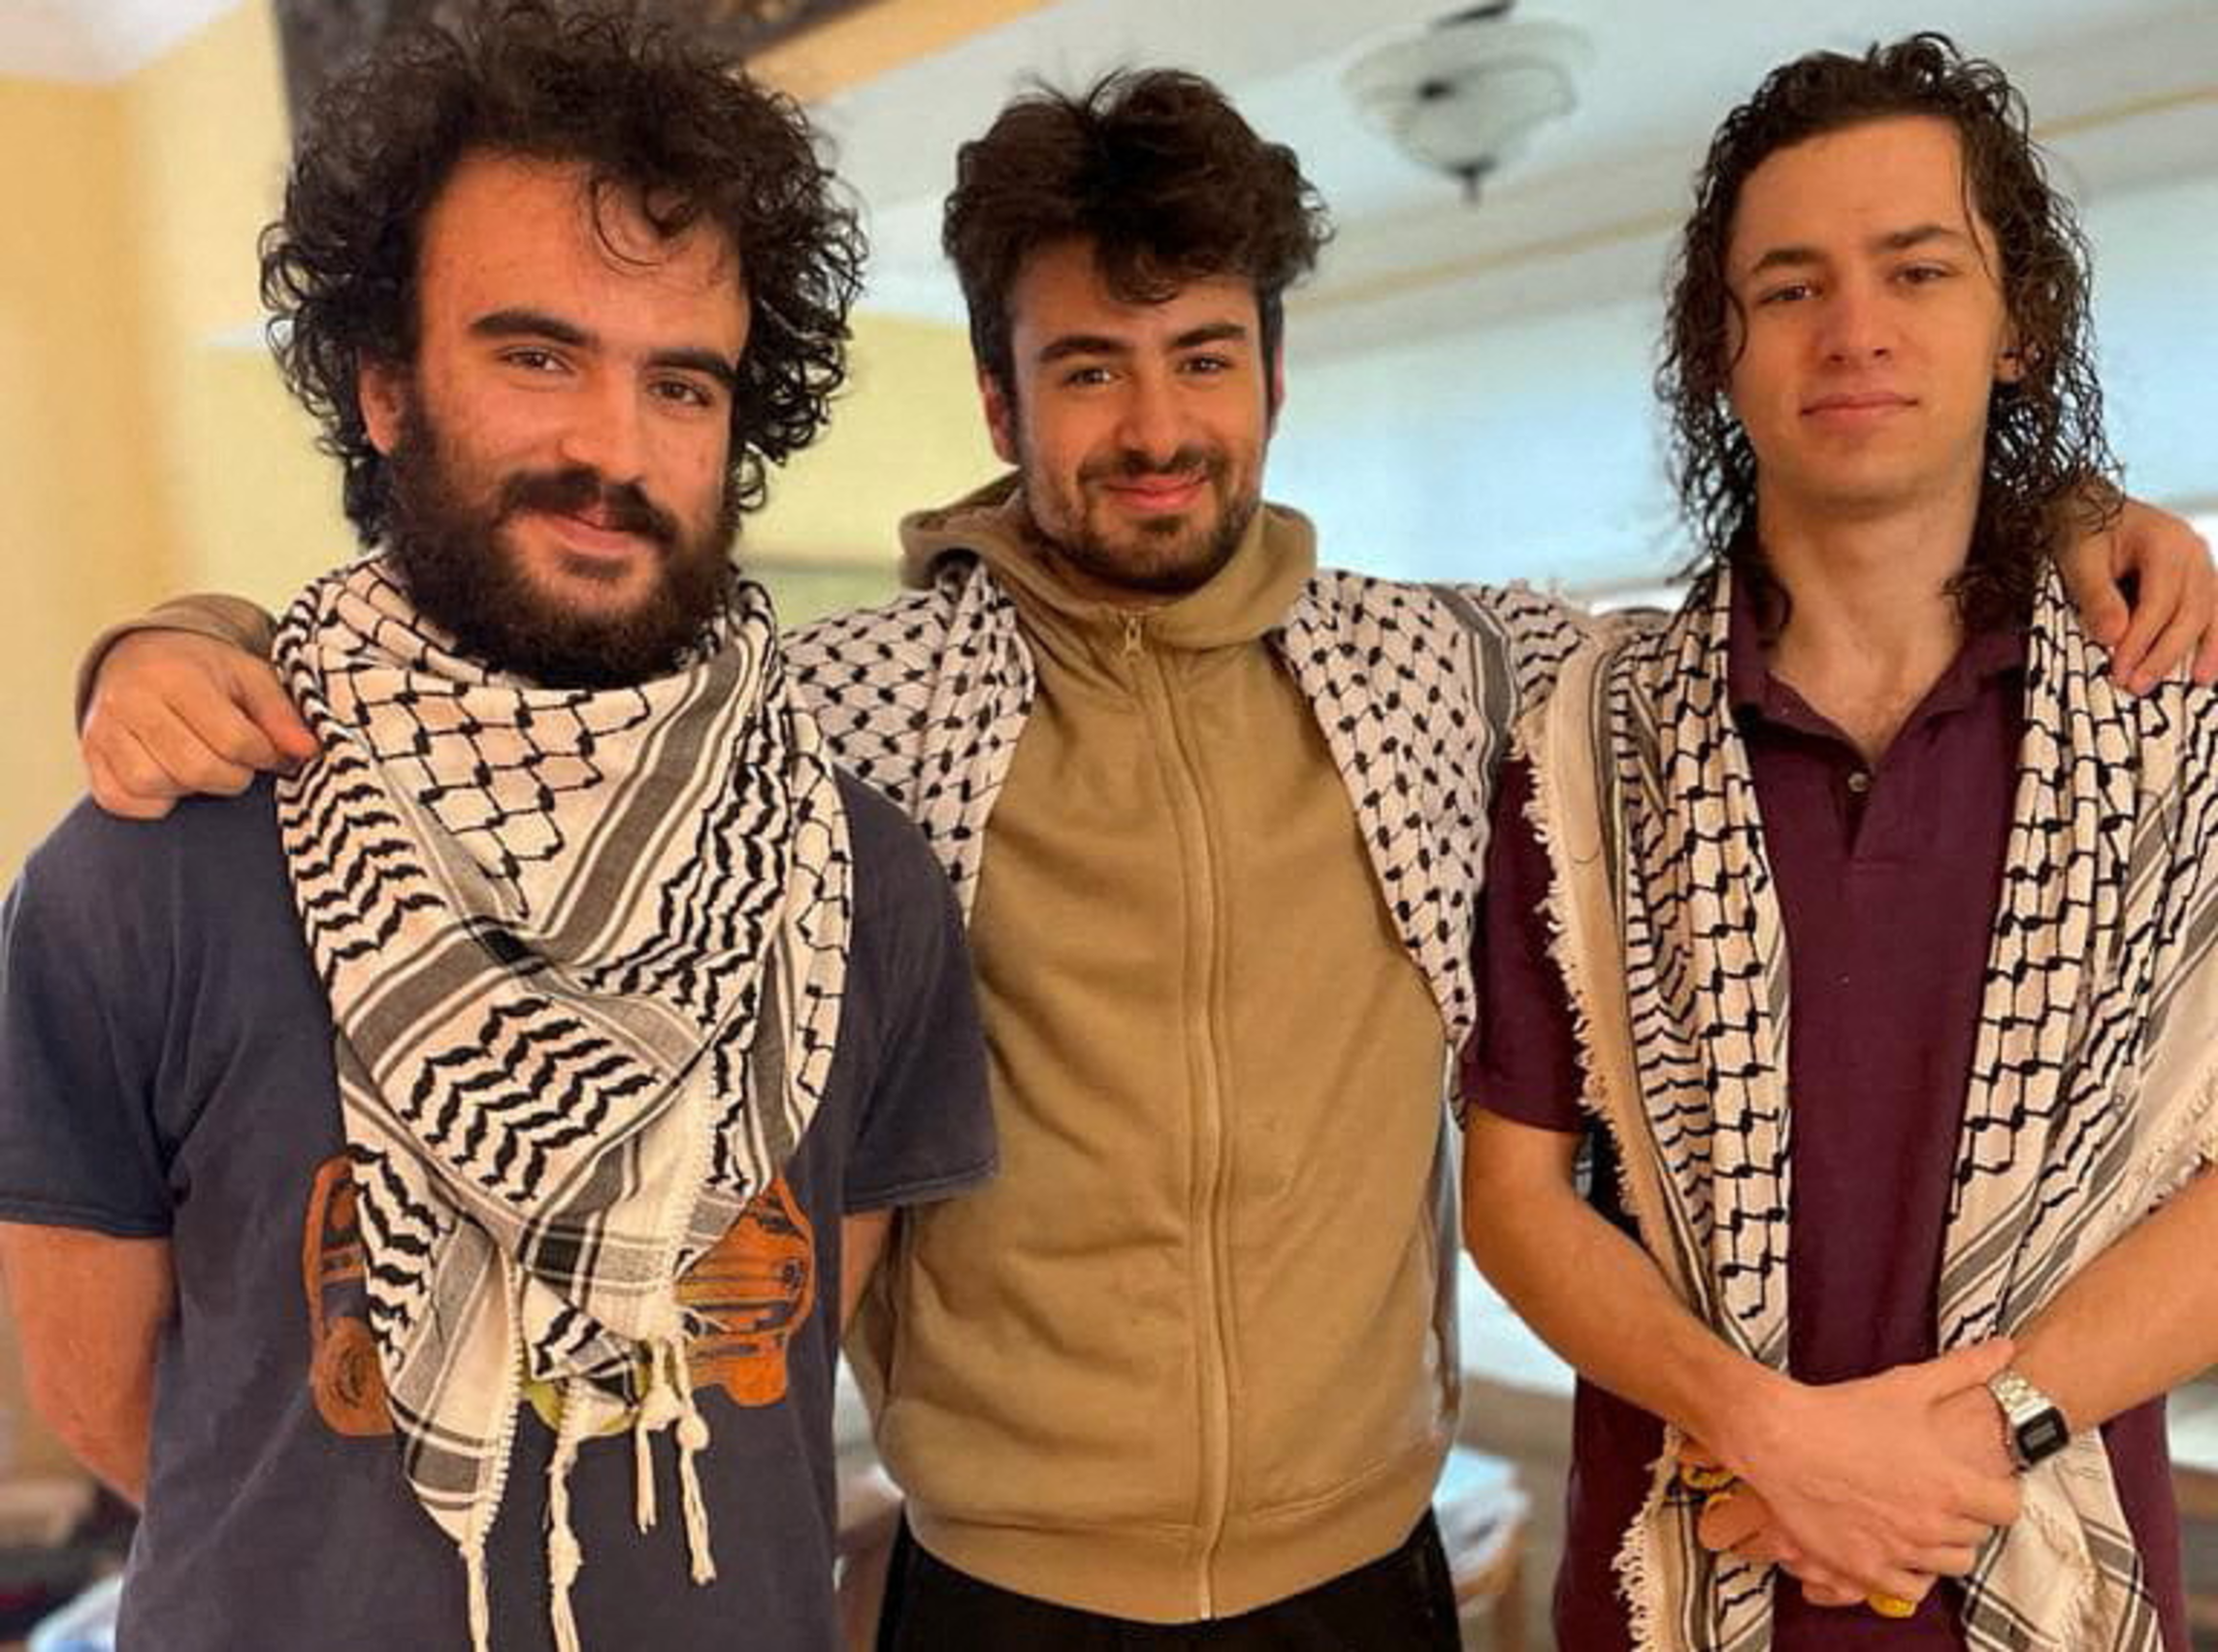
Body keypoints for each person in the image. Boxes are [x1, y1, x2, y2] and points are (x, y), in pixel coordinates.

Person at [62, 61, 2217, 1652]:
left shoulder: (1459, 670)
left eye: (1203, 358)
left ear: (1274, 375)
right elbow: (546, 672)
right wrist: (190, 636)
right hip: (997, 1586)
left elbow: (1801, 590)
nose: (1156, 424)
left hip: (1362, 1571)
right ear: (1002, 406)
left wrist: (2063, 510)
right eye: (1086, 370)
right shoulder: (842, 712)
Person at [0, 10, 992, 1651]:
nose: (613, 447)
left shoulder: (858, 880)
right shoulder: (149, 863)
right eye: (537, 356)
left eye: (680, 382)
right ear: (386, 384)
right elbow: (113, 1404)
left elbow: (785, 1346)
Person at [1463, 33, 2218, 1650]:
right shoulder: (1583, 743)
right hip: (1677, 1574)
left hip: (2050, 1570)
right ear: (1717, 351)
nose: (1853, 329)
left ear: (2016, 326)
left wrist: (1973, 1436)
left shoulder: (2176, 722)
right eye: (1789, 285)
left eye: (1916, 270)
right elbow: (1516, 1196)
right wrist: (1768, 1431)